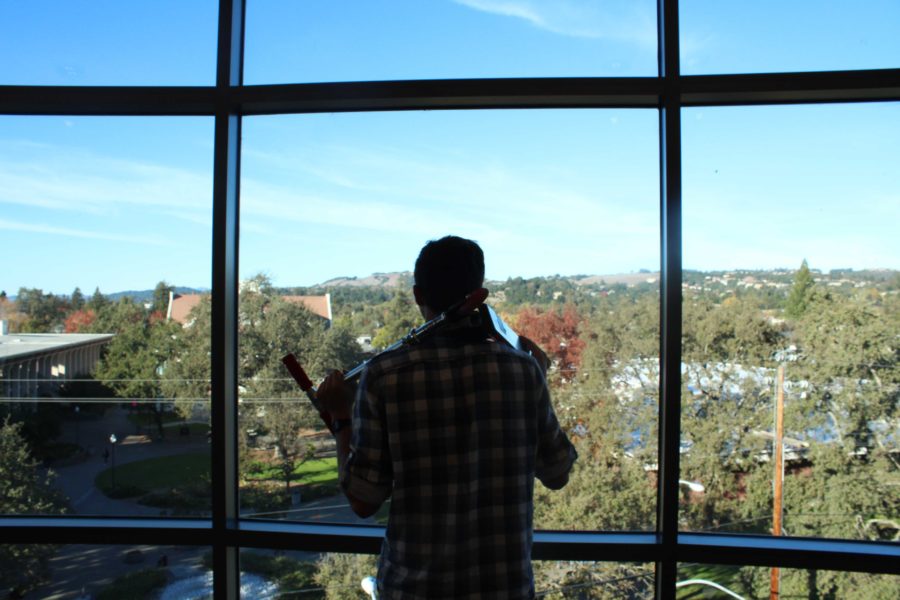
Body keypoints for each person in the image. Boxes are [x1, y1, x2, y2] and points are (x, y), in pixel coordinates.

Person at [318, 235, 577, 600]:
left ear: (418, 295)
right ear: (479, 294)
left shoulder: (383, 375)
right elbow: (557, 474)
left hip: (414, 589)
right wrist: (539, 379)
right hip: (504, 588)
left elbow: (363, 501)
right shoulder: (523, 371)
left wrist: (341, 418)